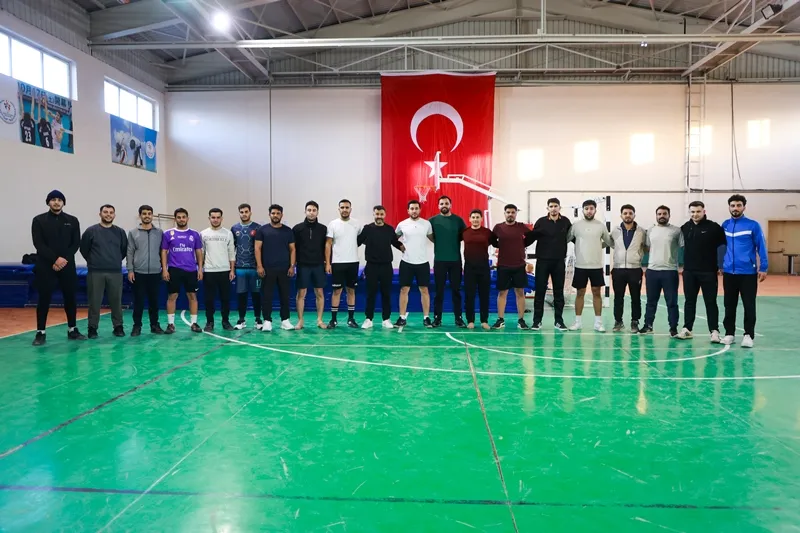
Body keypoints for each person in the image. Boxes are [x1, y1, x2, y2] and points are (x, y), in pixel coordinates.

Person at [31, 190, 86, 346]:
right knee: (44, 298)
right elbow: (38, 243)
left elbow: (75, 243)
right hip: (46, 266)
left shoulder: (72, 221)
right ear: (48, 202)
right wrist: (55, 259)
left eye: (59, 200)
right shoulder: (39, 220)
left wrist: (63, 259)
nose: (56, 202)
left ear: (63, 203)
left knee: (70, 297)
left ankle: (72, 329)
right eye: (53, 199)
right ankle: (40, 332)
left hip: (67, 265)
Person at [721, 194, 768, 348]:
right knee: (729, 304)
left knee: (749, 304)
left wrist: (764, 267)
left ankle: (748, 335)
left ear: (744, 207)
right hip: (729, 272)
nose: (735, 208)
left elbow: (761, 246)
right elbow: (721, 247)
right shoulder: (725, 225)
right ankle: (729, 333)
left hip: (748, 273)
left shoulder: (753, 225)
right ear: (729, 207)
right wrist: (720, 265)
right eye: (733, 205)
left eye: (738, 205)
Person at [678, 200, 726, 342]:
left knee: (710, 302)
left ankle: (714, 331)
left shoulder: (714, 227)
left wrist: (721, 265)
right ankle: (687, 329)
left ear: (704, 212)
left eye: (698, 211)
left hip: (708, 272)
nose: (695, 214)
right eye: (692, 212)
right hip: (689, 272)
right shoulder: (685, 227)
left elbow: (723, 246)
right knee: (689, 301)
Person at [80, 204, 128, 339]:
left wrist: (114, 261)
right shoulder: (91, 231)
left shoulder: (120, 232)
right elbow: (84, 249)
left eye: (111, 212)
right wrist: (94, 261)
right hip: (95, 272)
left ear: (114, 215)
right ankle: (92, 328)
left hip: (115, 272)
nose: (108, 214)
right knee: (94, 302)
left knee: (116, 301)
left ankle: (118, 326)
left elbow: (124, 250)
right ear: (100, 214)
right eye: (105, 212)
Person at [567, 199, 613, 332]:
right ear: (583, 210)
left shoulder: (600, 226)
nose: (589, 211)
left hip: (596, 267)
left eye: (591, 208)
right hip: (580, 266)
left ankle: (598, 323)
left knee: (596, 293)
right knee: (580, 293)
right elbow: (565, 239)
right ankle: (577, 322)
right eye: (586, 209)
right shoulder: (576, 226)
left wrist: (598, 246)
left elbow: (609, 242)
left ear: (595, 210)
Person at [358, 205, 405, 329]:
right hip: (371, 266)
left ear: (385, 215)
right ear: (373, 214)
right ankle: (368, 319)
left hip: (386, 266)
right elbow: (357, 241)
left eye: (381, 214)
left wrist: (405, 248)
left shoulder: (389, 229)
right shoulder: (367, 228)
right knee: (370, 293)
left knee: (386, 293)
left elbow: (395, 242)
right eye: (377, 214)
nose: (379, 216)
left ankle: (386, 319)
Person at [640, 206, 684, 337]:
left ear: (669, 215)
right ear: (656, 215)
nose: (662, 216)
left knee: (672, 302)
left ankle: (673, 328)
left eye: (665, 213)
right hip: (652, 271)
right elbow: (647, 247)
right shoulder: (650, 230)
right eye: (659, 214)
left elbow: (683, 246)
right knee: (651, 301)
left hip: (670, 271)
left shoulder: (676, 231)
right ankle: (648, 325)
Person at [491, 204, 535, 330]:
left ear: (516, 214)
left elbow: (532, 237)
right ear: (504, 213)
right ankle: (500, 320)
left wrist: (522, 244)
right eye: (508, 212)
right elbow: (493, 241)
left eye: (513, 212)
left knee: (520, 292)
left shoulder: (521, 227)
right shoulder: (498, 227)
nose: (510, 214)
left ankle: (521, 320)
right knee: (502, 293)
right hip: (503, 265)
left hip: (519, 265)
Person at [161, 208, 203, 334]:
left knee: (192, 296)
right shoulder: (168, 234)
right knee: (172, 296)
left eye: (183, 217)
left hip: (191, 270)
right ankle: (170, 324)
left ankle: (194, 323)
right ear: (175, 219)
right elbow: (164, 252)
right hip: (174, 270)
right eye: (179, 217)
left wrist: (200, 269)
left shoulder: (194, 234)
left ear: (187, 218)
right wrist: (164, 269)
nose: (181, 219)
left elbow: (199, 252)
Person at [531, 198, 571, 331]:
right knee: (540, 291)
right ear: (547, 208)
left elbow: (574, 238)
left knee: (558, 292)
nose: (553, 208)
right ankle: (537, 321)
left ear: (560, 208)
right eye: (551, 206)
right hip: (542, 261)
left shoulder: (565, 222)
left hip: (559, 262)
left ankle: (559, 321)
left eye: (556, 206)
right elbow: (530, 238)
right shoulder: (541, 222)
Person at [255, 204, 296, 332]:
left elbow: (293, 249)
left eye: (278, 213)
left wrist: (292, 266)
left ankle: (285, 320)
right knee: (267, 296)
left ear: (282, 215)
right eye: (273, 213)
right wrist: (259, 266)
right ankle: (267, 321)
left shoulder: (288, 231)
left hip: (284, 269)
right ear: (269, 215)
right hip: (267, 269)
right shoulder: (262, 230)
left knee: (285, 296)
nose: (275, 215)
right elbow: (257, 248)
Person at [428, 195, 467, 328]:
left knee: (456, 291)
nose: (444, 205)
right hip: (439, 261)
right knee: (439, 291)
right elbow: (430, 236)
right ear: (438, 206)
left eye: (446, 203)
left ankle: (459, 318)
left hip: (455, 261)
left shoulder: (458, 220)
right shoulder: (432, 221)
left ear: (450, 205)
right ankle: (437, 318)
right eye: (441, 204)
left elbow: (464, 236)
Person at [395, 200, 434, 328]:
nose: (414, 211)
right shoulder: (402, 224)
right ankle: (402, 318)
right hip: (406, 262)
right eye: (412, 208)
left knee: (424, 290)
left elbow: (434, 239)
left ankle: (426, 318)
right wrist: (399, 246)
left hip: (422, 262)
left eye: (416, 208)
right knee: (404, 289)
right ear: (408, 211)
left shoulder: (426, 224)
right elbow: (393, 238)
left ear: (420, 209)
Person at [126, 205, 164, 336]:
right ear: (140, 216)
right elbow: (130, 252)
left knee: (154, 301)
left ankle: (155, 325)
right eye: (144, 214)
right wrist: (130, 270)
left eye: (149, 213)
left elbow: (163, 251)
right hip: (139, 273)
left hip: (155, 272)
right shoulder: (133, 233)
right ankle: (137, 326)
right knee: (139, 302)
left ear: (152, 215)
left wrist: (164, 268)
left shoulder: (159, 232)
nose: (147, 216)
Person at [609, 204, 646, 333]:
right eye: (625, 213)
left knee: (636, 297)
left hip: (635, 269)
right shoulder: (615, 231)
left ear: (634, 215)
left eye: (630, 213)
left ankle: (635, 321)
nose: (628, 215)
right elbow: (611, 243)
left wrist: (638, 255)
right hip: (618, 269)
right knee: (618, 297)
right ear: (621, 215)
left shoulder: (642, 232)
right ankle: (618, 321)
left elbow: (646, 247)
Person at [326, 199, 362, 329]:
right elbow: (328, 244)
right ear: (339, 209)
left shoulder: (357, 224)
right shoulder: (333, 224)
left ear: (350, 209)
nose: (345, 209)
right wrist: (328, 263)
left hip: (353, 262)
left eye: (347, 207)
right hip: (337, 263)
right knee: (337, 291)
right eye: (342, 207)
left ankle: (351, 319)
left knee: (351, 291)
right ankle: (333, 320)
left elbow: (360, 240)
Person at [292, 201, 327, 330]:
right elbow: (293, 248)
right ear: (305, 211)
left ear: (317, 212)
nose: (311, 213)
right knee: (301, 293)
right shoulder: (297, 229)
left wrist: (327, 263)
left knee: (319, 292)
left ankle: (320, 320)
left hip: (318, 265)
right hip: (303, 265)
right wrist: (292, 265)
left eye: (314, 210)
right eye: (309, 210)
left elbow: (327, 248)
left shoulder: (323, 229)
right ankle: (300, 321)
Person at [201, 208, 235, 332]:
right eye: (213, 217)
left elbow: (231, 253)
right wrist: (200, 269)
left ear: (221, 218)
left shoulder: (228, 233)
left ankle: (225, 321)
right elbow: (201, 253)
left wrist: (232, 270)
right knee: (209, 299)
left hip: (224, 271)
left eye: (218, 217)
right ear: (209, 218)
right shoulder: (203, 234)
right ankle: (209, 322)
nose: (215, 220)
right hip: (209, 271)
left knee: (225, 299)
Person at [231, 204, 263, 330]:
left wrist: (261, 265)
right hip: (240, 268)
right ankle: (241, 320)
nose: (244, 214)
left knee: (256, 294)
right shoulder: (234, 228)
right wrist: (232, 268)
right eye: (242, 212)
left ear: (250, 212)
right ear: (239, 213)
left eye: (246, 211)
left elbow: (261, 248)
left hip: (255, 267)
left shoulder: (258, 228)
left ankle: (258, 319)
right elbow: (231, 249)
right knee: (241, 295)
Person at [462, 209, 495, 330]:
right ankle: (470, 320)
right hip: (469, 268)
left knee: (484, 295)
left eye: (477, 217)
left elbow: (495, 243)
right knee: (469, 295)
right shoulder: (465, 232)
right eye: (473, 217)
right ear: (469, 219)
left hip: (484, 268)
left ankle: (484, 320)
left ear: (481, 219)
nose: (475, 219)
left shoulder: (487, 232)